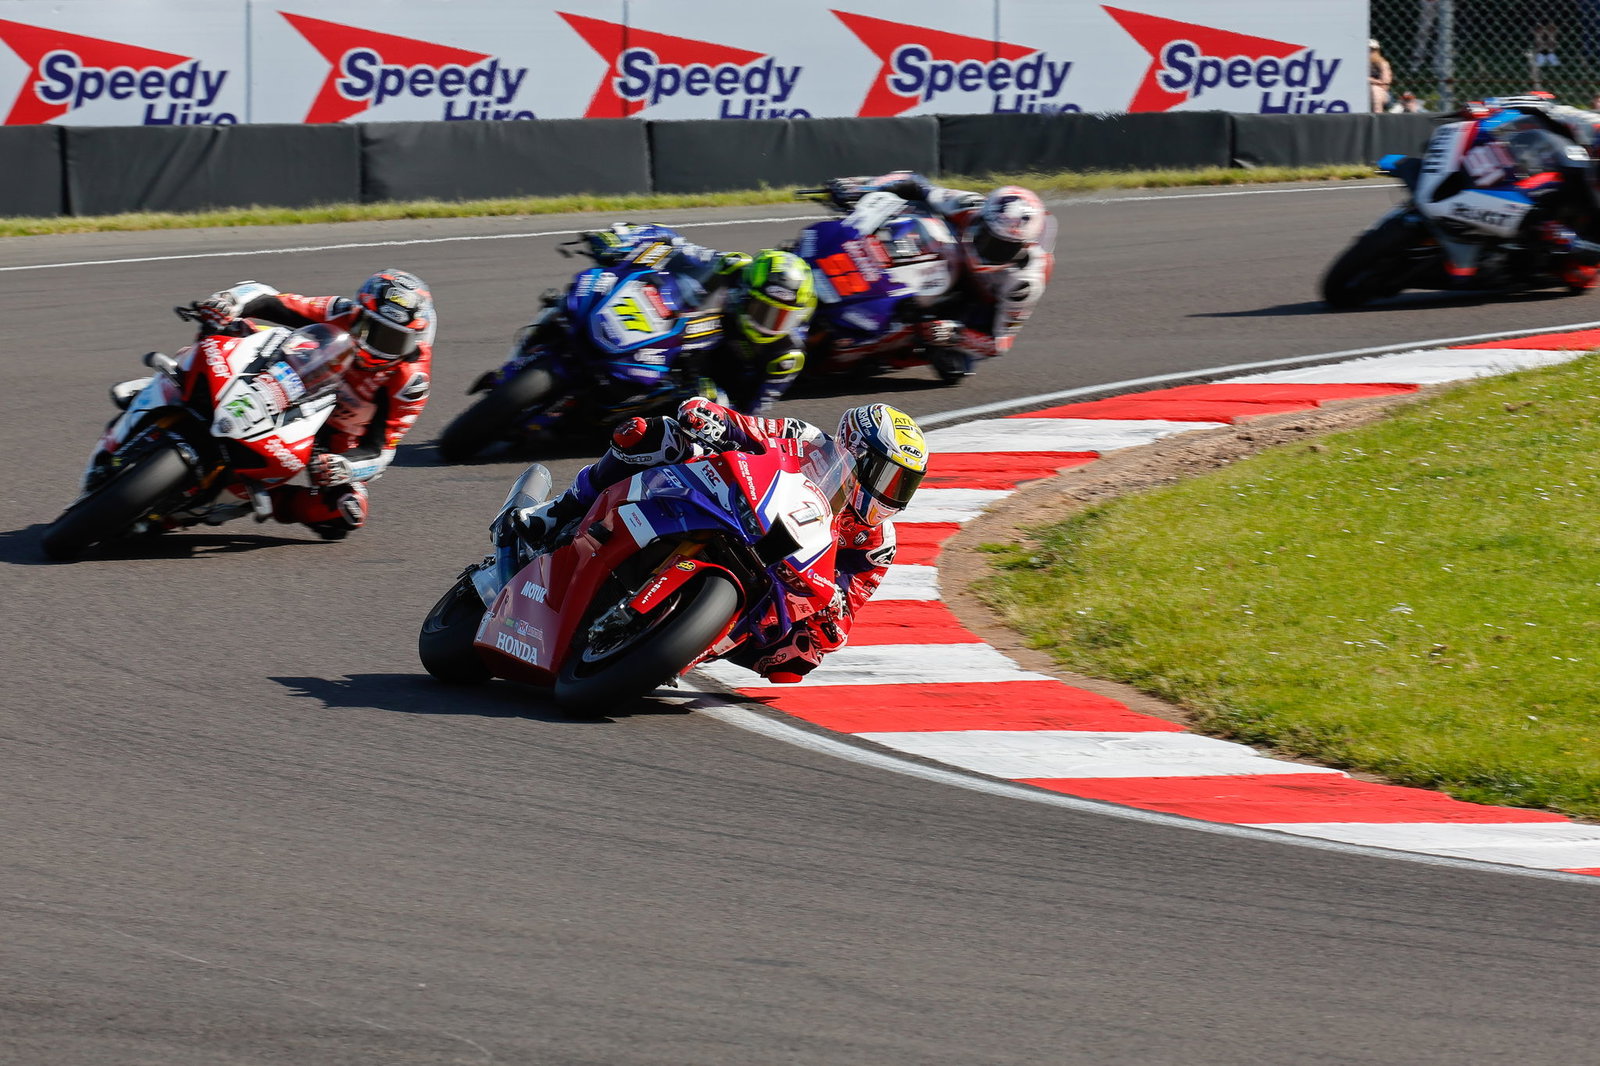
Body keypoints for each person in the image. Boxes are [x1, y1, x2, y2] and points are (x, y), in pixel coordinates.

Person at [516, 396, 928, 683]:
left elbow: (848, 609)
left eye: (904, 485)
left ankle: (673, 647)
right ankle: (558, 511)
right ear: (855, 450)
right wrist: (709, 416)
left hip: (779, 582)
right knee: (654, 435)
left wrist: (830, 620)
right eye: (888, 476)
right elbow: (744, 427)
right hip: (734, 509)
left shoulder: (876, 542)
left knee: (796, 660)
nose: (892, 493)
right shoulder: (806, 441)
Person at [112, 272, 435, 539]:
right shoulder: (342, 311)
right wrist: (230, 302)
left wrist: (344, 465)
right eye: (374, 331)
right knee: (231, 326)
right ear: (361, 314)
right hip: (291, 375)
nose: (380, 348)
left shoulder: (410, 384)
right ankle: (172, 386)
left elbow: (382, 449)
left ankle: (243, 500)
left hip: (332, 434)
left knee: (346, 510)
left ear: (416, 341)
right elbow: (270, 299)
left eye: (395, 340)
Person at [821, 171, 1055, 379]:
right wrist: (865, 186)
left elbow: (999, 343)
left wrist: (954, 333)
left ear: (1023, 248)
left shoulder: (1024, 283)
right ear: (983, 217)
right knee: (903, 211)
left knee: (948, 359)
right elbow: (914, 182)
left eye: (1002, 247)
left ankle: (861, 348)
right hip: (944, 255)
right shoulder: (969, 205)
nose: (987, 247)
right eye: (986, 234)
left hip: (973, 305)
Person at [577, 222, 816, 414]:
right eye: (762, 310)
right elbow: (676, 245)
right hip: (671, 336)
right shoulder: (734, 267)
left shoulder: (786, 357)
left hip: (703, 384)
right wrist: (628, 237)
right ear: (745, 293)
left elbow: (749, 413)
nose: (769, 323)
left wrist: (720, 402)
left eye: (781, 318)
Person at [1369, 39, 1393, 113]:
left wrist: (1369, 80)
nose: (1370, 52)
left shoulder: (1382, 64)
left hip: (1381, 93)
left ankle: (1377, 118)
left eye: (1372, 50)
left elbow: (1385, 84)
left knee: (1375, 90)